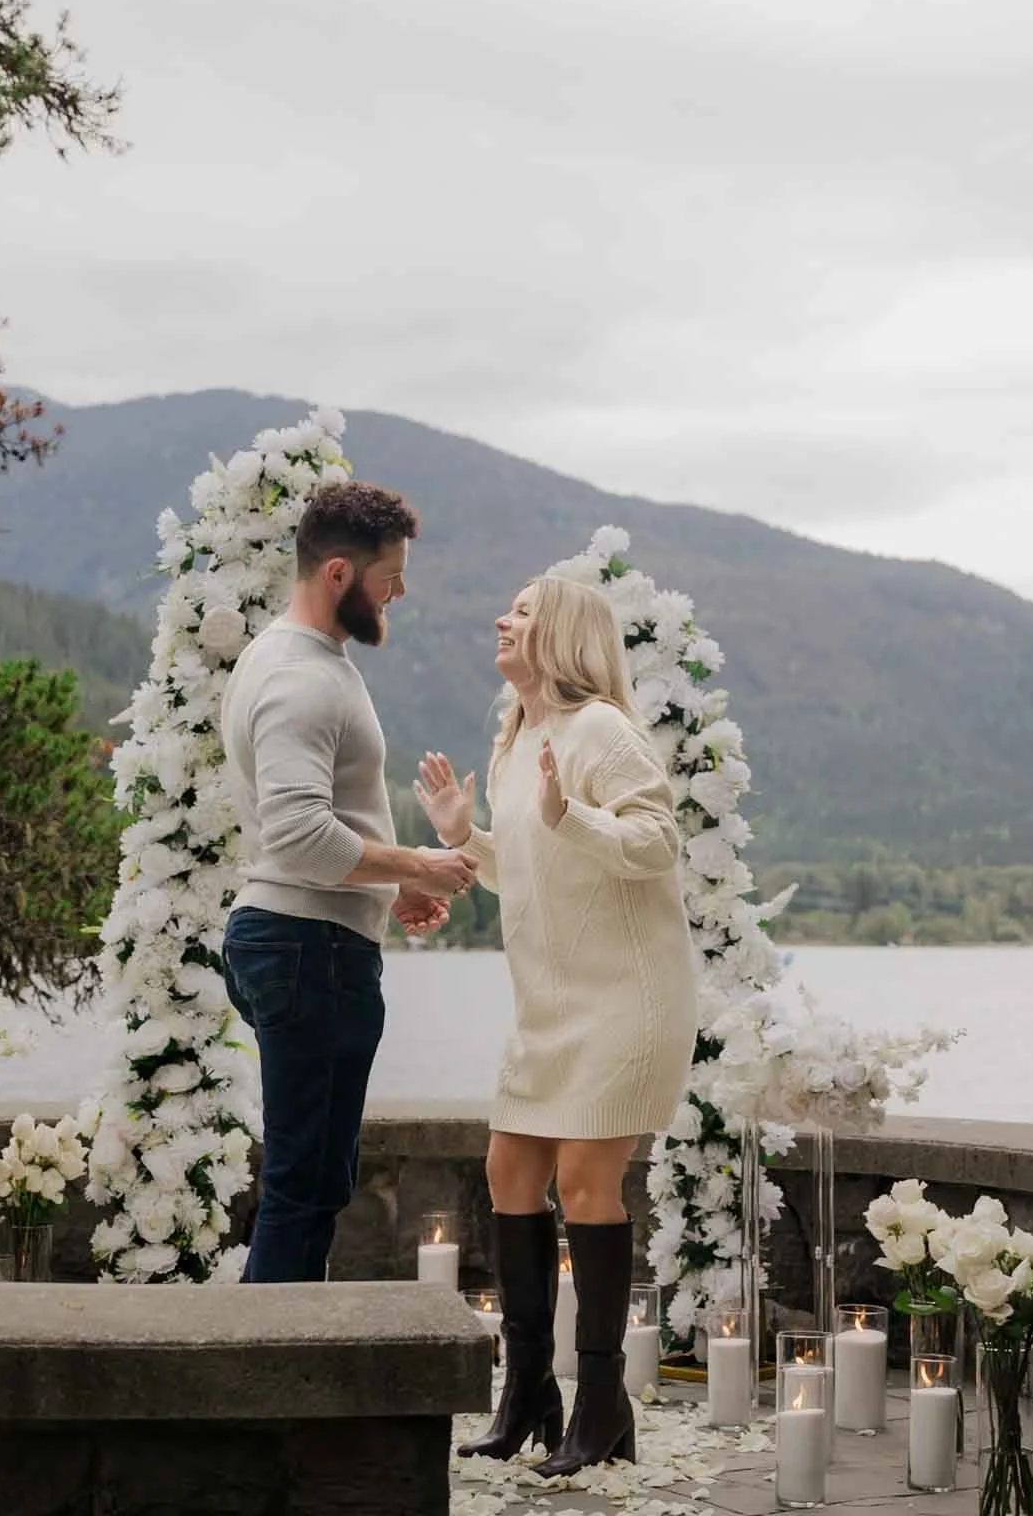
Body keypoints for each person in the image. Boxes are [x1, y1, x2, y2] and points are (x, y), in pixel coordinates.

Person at [415, 574, 697, 1476]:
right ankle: (526, 1389)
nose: (503, 618)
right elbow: (530, 869)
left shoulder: (602, 733)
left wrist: (569, 813)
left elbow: (655, 844)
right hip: (548, 1005)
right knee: (507, 1168)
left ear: (565, 633)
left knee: (583, 1180)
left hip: (626, 998)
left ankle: (599, 1402)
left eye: (524, 611)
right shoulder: (514, 742)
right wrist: (467, 837)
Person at [221, 481, 477, 1284]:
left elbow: (317, 818)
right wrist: (415, 864)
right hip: (307, 949)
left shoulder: (301, 659)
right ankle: (268, 1386)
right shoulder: (301, 679)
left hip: (308, 939)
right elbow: (296, 832)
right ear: (338, 573)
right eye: (389, 576)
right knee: (303, 1185)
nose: (398, 591)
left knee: (317, 1180)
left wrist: (386, 889)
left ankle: (281, 1377)